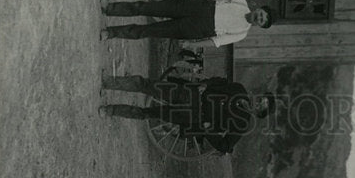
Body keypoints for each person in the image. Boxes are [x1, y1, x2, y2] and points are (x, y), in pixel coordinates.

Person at [98, 72, 259, 155]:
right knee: (147, 85)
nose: (257, 103)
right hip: (190, 94)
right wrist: (206, 84)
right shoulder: (239, 89)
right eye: (260, 99)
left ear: (258, 112)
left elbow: (225, 146)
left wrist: (207, 128)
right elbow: (221, 82)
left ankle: (111, 110)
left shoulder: (242, 123)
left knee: (148, 113)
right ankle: (109, 82)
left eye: (260, 107)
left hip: (191, 116)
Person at [100, 0, 272, 44]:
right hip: (196, 7)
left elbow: (215, 41)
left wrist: (193, 43)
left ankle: (111, 33)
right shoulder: (241, 2)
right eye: (262, 15)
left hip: (196, 29)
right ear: (259, 9)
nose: (259, 18)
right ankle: (110, 8)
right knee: (148, 7)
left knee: (150, 30)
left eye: (262, 21)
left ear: (260, 26)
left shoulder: (242, 33)